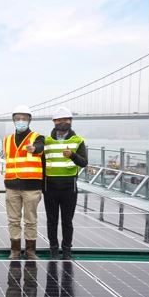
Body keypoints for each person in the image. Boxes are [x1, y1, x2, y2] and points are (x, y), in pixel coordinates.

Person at [43, 106, 88, 259]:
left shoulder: (78, 141)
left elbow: (83, 163)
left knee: (67, 221)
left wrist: (73, 155)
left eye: (66, 120)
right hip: (50, 188)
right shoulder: (46, 141)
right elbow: (41, 163)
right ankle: (53, 249)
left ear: (71, 121)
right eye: (59, 120)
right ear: (54, 122)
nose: (63, 122)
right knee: (52, 221)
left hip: (69, 188)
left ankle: (67, 249)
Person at [3, 104, 44, 260]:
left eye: (24, 118)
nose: (21, 121)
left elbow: (40, 147)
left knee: (30, 220)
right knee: (13, 220)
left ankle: (30, 251)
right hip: (12, 186)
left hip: (31, 187)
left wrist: (35, 149)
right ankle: (15, 250)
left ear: (29, 120)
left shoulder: (37, 138)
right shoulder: (7, 140)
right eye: (18, 118)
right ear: (14, 120)